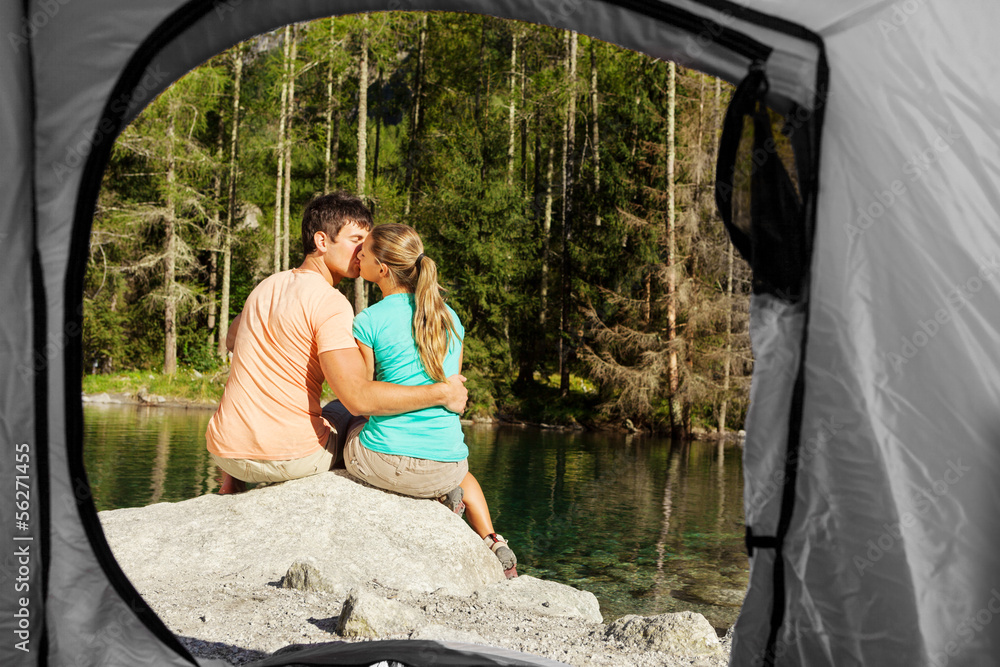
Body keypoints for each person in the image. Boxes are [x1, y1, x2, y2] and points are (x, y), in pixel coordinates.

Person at [206, 193, 467, 494]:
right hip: (291, 459)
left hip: (224, 452)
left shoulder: (267, 286)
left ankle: (232, 483)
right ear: (321, 241)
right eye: (356, 240)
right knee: (348, 412)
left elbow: (232, 338)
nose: (361, 251)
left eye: (366, 244)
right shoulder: (331, 302)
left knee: (326, 407)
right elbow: (358, 398)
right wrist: (441, 393)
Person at [342, 223, 517, 578]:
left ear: (382, 268)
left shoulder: (369, 319)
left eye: (365, 251)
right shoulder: (451, 319)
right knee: (461, 467)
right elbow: (450, 393)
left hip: (384, 463)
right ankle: (490, 537)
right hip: (447, 468)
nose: (357, 255)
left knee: (348, 419)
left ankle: (435, 495)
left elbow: (365, 396)